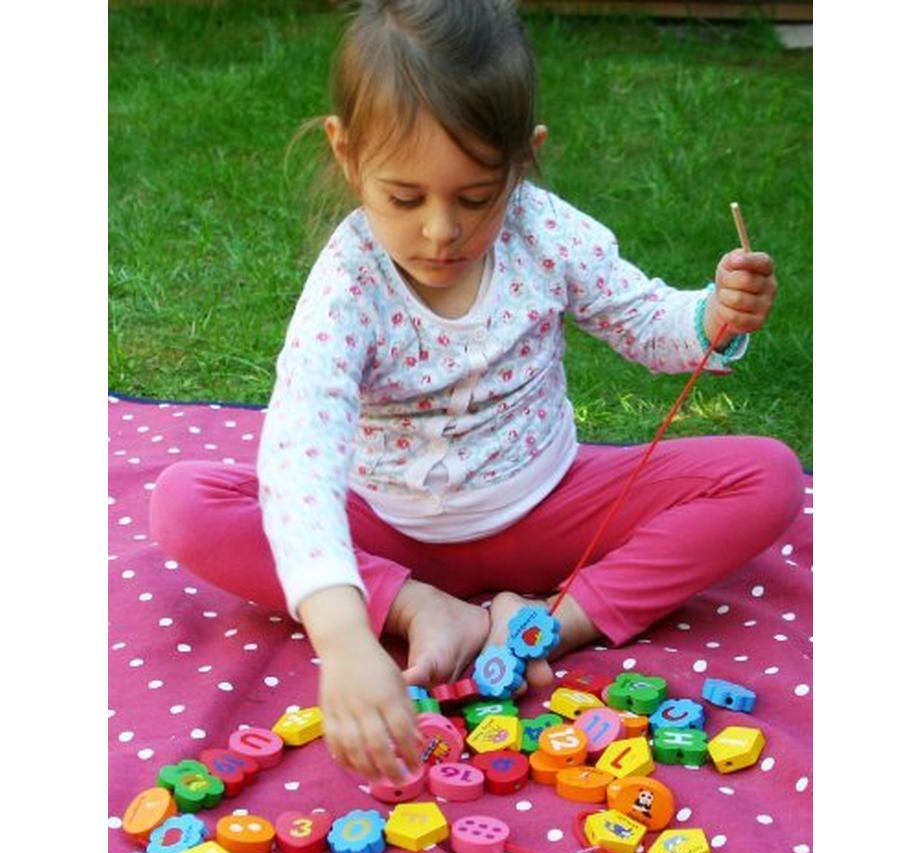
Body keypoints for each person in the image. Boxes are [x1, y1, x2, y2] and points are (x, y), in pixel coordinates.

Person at [150, 0, 803, 785]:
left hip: (548, 510)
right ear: (347, 154)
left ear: (523, 163)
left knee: (765, 474)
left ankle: (540, 627)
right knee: (184, 503)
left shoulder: (545, 232)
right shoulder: (348, 288)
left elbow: (642, 322)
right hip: (387, 533)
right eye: (404, 198)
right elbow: (300, 458)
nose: (440, 232)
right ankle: (422, 606)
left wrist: (711, 316)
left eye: (474, 198)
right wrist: (349, 636)